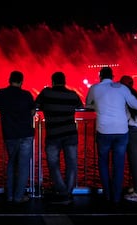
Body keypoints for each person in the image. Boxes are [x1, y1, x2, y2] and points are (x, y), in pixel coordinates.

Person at [85, 67, 137, 204]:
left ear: (100, 76)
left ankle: (107, 194)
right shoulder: (122, 88)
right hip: (121, 131)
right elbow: (136, 105)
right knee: (119, 165)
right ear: (112, 76)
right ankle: (116, 197)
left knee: (103, 163)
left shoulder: (95, 88)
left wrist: (97, 107)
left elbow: (88, 104)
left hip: (103, 130)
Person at [35, 71, 83, 205]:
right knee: (71, 164)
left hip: (53, 134)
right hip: (70, 133)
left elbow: (36, 104)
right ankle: (68, 192)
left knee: (53, 164)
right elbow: (80, 106)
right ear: (64, 81)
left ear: (52, 81)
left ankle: (62, 191)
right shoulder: (72, 95)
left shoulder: (46, 93)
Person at [0, 70, 35, 205]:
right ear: (21, 82)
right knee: (23, 166)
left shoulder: (0, 94)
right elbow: (33, 111)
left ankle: (10, 196)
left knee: (11, 164)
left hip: (10, 134)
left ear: (9, 80)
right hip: (25, 134)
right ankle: (18, 196)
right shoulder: (27, 95)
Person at [120, 75, 137, 203]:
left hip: (133, 134)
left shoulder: (124, 99)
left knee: (134, 164)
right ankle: (134, 187)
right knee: (134, 162)